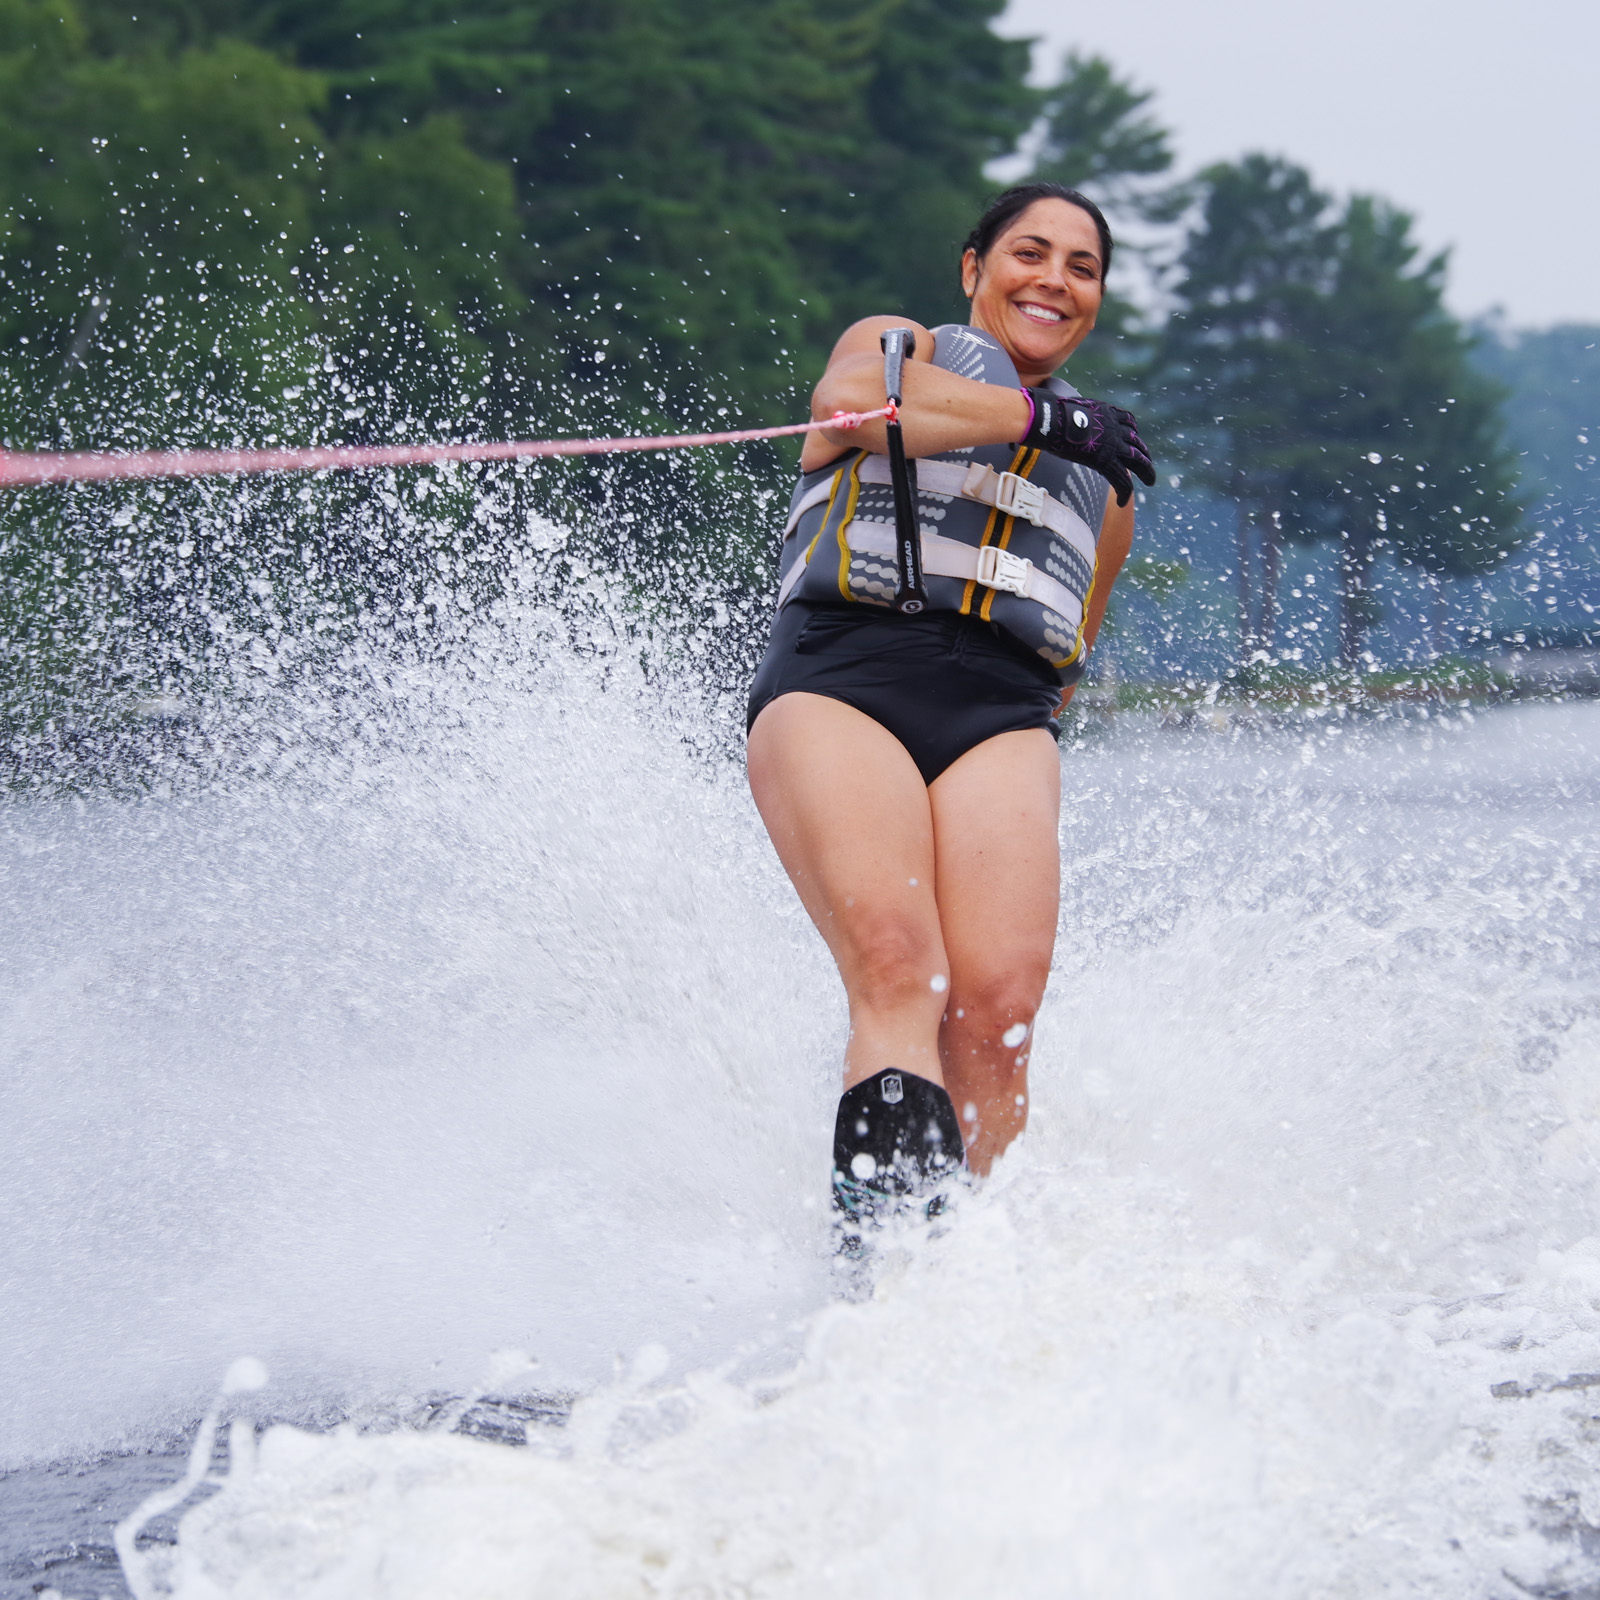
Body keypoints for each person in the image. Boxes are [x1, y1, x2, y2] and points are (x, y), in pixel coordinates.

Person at [745, 182, 1154, 1240]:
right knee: (899, 963)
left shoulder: (1104, 487)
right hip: (845, 674)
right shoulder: (899, 342)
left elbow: (1069, 647)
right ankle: (879, 1278)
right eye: (1030, 252)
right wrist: (1038, 414)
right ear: (974, 268)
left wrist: (1067, 433)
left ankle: (982, 1291)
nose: (1054, 280)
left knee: (995, 1012)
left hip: (999, 711)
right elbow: (856, 406)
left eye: (1082, 266)